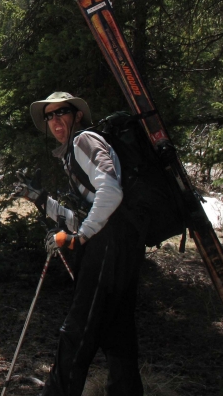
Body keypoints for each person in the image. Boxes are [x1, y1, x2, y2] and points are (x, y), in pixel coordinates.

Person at [24, 91, 146, 396]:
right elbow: (87, 212)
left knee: (78, 330)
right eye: (49, 116)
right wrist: (42, 201)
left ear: (77, 115)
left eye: (61, 112)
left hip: (108, 246)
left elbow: (111, 193)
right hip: (120, 245)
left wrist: (81, 236)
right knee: (118, 332)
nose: (55, 121)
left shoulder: (83, 141)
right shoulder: (74, 150)